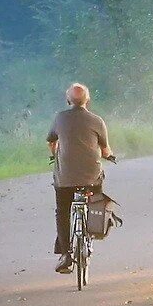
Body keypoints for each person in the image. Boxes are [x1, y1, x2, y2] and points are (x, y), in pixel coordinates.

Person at [47, 83, 114, 274]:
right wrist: (109, 155)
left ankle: (66, 253)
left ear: (68, 100)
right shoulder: (97, 121)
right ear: (88, 100)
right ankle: (91, 234)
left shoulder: (60, 118)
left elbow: (52, 141)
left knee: (62, 210)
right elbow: (105, 149)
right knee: (94, 201)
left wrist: (55, 154)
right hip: (91, 178)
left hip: (65, 178)